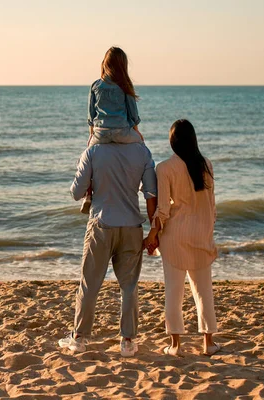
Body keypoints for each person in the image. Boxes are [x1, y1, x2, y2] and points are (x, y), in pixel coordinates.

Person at [59, 127, 158, 357]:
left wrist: (85, 161)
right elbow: (151, 193)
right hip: (132, 226)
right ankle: (128, 341)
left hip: (101, 225)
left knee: (89, 284)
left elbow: (76, 192)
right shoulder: (142, 151)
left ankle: (80, 338)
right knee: (129, 286)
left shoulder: (93, 151)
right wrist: (155, 230)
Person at [144, 119, 220, 356]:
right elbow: (212, 205)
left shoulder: (165, 168)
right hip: (201, 236)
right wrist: (208, 230)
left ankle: (176, 346)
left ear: (172, 142)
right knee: (203, 291)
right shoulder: (206, 164)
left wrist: (152, 235)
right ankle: (208, 343)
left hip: (175, 238)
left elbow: (163, 210)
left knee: (173, 292)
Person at [80, 47, 145, 214]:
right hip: (122, 132)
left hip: (100, 133)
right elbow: (133, 114)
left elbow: (91, 116)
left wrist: (91, 137)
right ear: (123, 66)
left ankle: (88, 194)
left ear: (105, 64)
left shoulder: (96, 85)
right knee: (143, 151)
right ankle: (144, 182)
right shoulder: (124, 85)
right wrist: (137, 133)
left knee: (87, 158)